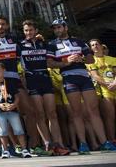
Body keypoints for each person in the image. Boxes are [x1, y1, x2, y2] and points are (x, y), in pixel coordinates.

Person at [47, 19, 116, 153]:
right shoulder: (52, 44)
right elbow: (49, 63)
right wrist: (66, 62)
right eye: (55, 28)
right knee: (76, 113)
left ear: (65, 28)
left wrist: (81, 59)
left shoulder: (78, 41)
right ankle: (83, 144)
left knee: (93, 111)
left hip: (84, 77)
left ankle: (105, 142)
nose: (57, 30)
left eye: (59, 27)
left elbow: (90, 59)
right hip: (68, 78)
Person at [0, 16, 41, 153]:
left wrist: (37, 38)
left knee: (29, 111)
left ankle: (34, 144)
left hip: (15, 78)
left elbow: (26, 45)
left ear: (6, 26)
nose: (1, 27)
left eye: (3, 24)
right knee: (6, 112)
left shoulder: (15, 39)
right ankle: (16, 145)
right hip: (0, 80)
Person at [19, 20, 69, 155]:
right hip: (31, 79)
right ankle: (47, 144)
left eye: (30, 30)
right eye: (26, 30)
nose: (28, 32)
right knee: (39, 114)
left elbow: (52, 61)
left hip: (45, 78)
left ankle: (59, 144)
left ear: (36, 30)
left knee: (52, 113)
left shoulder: (45, 44)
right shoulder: (20, 45)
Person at [0, 62, 31, 159]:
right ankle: (5, 150)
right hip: (0, 111)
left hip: (12, 110)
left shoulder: (10, 82)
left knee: (19, 130)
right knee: (2, 132)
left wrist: (14, 105)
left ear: (4, 70)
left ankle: (24, 150)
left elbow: (17, 96)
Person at [88, 38, 116, 143]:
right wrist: (108, 85)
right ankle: (112, 140)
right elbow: (95, 76)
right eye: (92, 45)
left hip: (115, 85)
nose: (95, 46)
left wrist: (115, 83)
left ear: (101, 46)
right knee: (110, 116)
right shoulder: (90, 61)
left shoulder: (112, 59)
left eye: (96, 44)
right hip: (104, 90)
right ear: (91, 48)